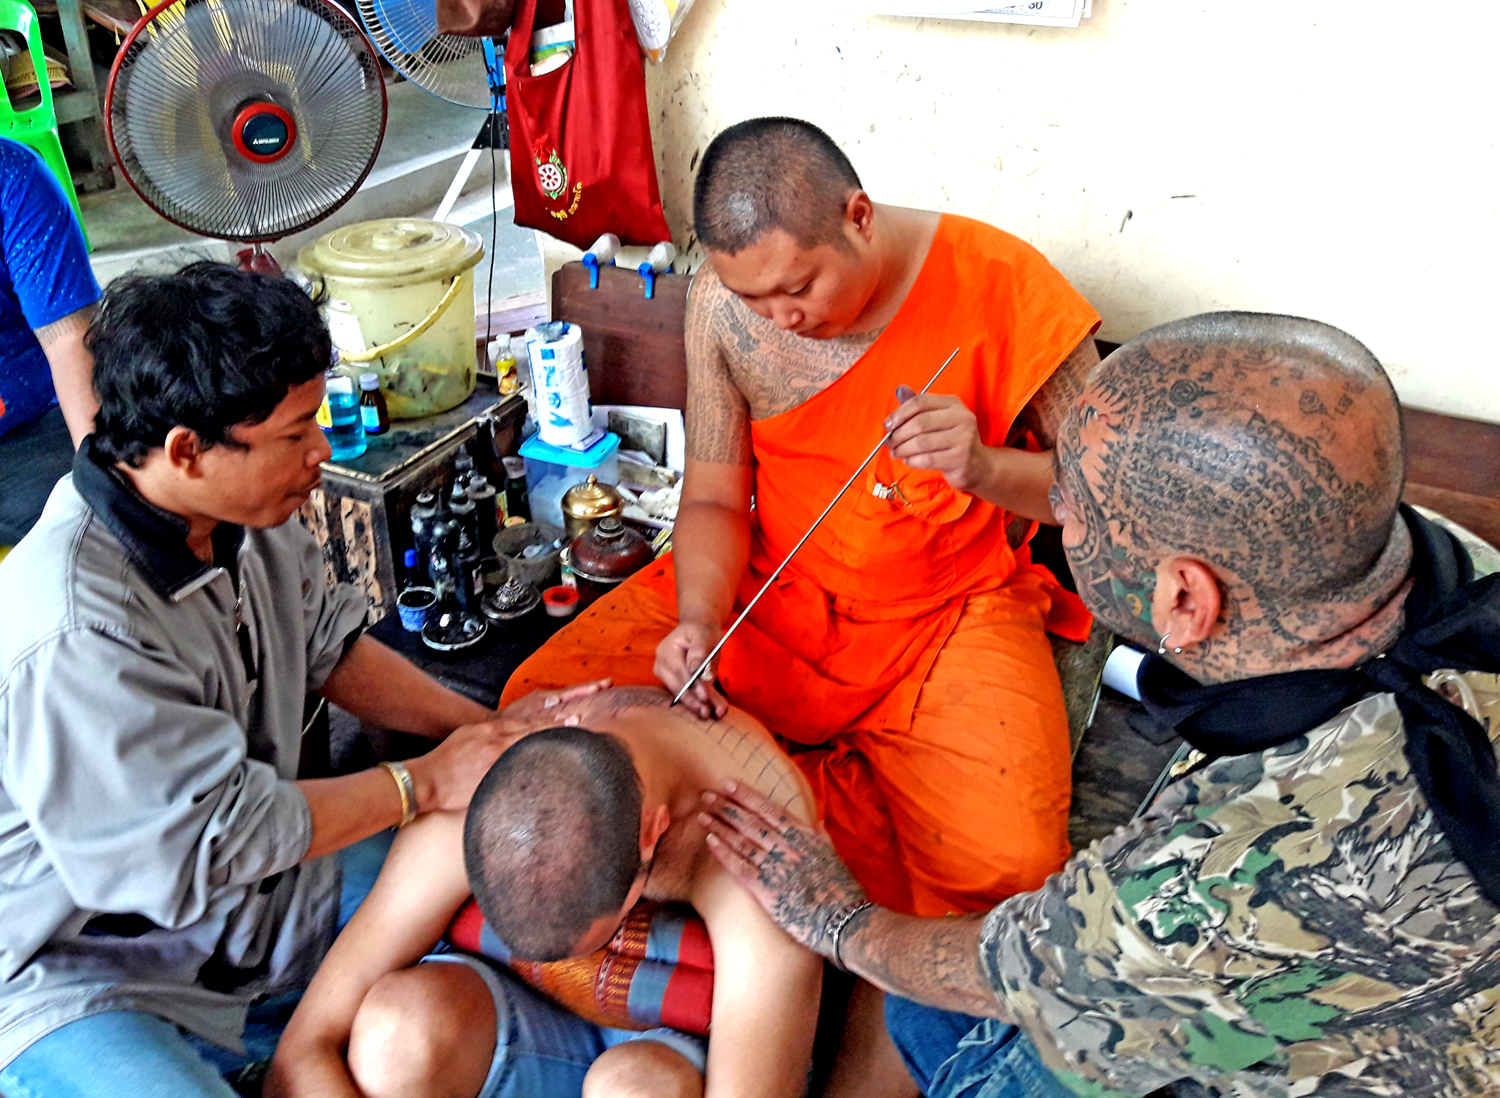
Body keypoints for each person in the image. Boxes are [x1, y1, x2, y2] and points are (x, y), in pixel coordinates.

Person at [702, 311, 1500, 1098]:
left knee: (940, 1020)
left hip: (1374, 1054)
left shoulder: (1230, 874)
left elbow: (1015, 975)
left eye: (1072, 511)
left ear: (1184, 597)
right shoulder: (1444, 563)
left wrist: (837, 920)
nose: (1059, 518)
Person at [504, 117, 1101, 1090]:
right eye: (753, 298)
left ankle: (860, 1022)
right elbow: (710, 498)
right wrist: (699, 619)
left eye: (798, 288)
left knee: (1006, 866)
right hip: (771, 591)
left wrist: (986, 468)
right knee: (545, 713)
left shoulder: (1000, 281)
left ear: (858, 217)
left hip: (949, 615)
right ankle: (729, 957)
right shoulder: (723, 307)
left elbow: (1113, 500)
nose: (778, 318)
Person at [0, 261, 603, 1097]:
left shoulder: (246, 515)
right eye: (295, 435)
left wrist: (481, 731)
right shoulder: (76, 627)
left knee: (491, 877)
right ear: (186, 451)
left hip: (254, 906)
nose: (322, 452)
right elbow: (210, 846)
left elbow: (331, 649)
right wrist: (423, 782)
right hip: (82, 971)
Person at [266, 685, 824, 1098]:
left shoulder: (763, 860)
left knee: (634, 1089)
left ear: (651, 833)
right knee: (397, 1032)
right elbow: (299, 1056)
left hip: (663, 1055)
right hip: (516, 1021)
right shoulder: (489, 780)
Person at [0, 136, 102, 548]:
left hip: (31, 434)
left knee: (100, 535)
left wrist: (102, 484)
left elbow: (70, 339)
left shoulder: (12, 176)